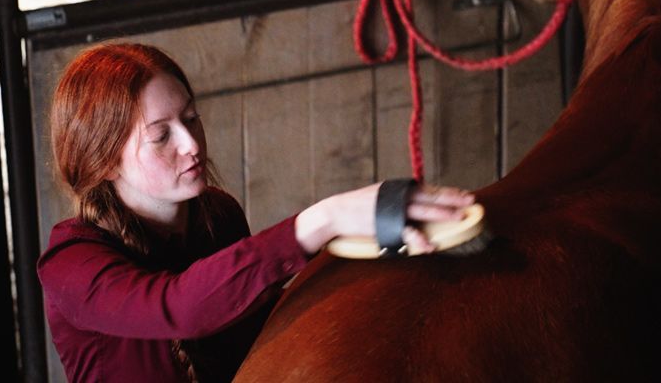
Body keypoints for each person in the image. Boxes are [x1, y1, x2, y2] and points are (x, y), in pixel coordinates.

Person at [37, 43, 474, 382]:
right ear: (106, 159)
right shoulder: (71, 262)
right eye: (161, 136)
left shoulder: (218, 215)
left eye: (191, 118)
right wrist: (326, 219)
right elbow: (178, 307)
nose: (191, 144)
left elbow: (262, 345)